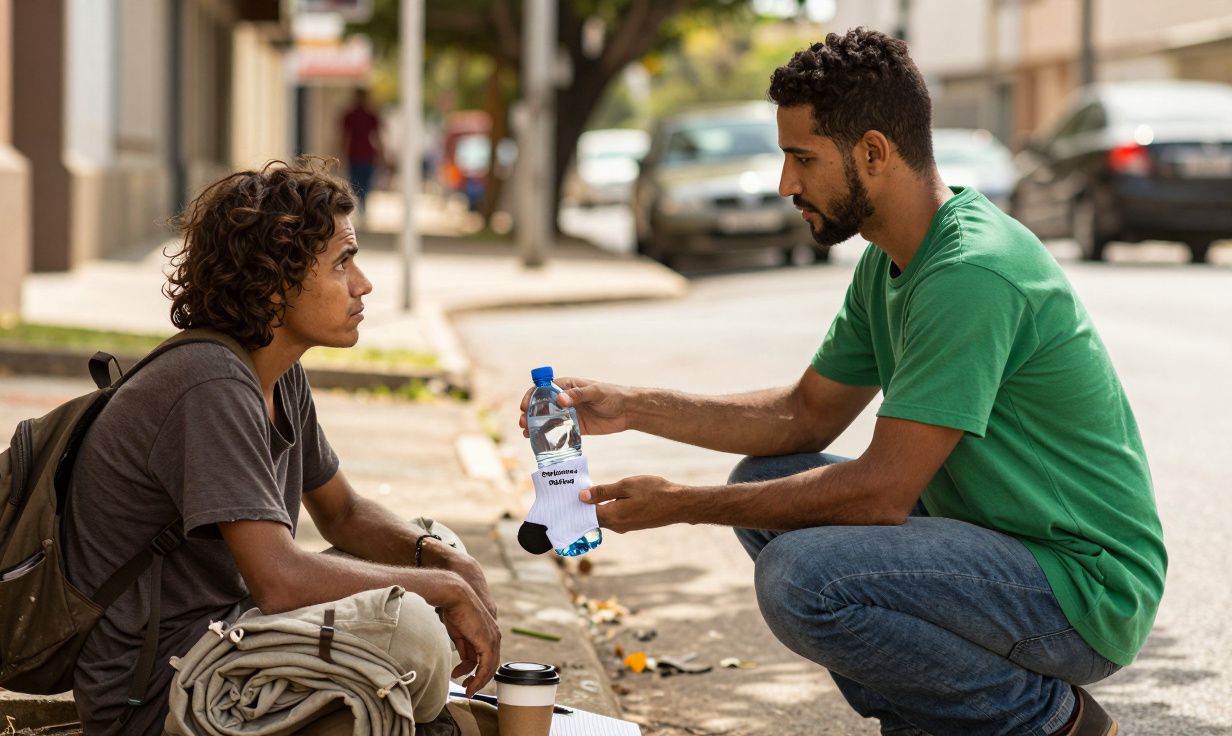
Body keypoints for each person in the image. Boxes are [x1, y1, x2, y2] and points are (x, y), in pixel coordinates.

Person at [518, 29, 1164, 736]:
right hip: (995, 547)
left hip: (1080, 588)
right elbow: (803, 416)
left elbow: (882, 494)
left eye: (801, 159)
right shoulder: (890, 261)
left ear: (874, 153)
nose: (785, 184)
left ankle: (1048, 720)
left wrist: (678, 504)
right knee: (768, 479)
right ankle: (935, 718)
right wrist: (631, 406)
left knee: (802, 576)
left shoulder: (968, 273)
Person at [65, 158, 500, 734]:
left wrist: (450, 565)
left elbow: (343, 513)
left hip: (232, 639)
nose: (363, 283)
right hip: (159, 690)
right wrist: (441, 590)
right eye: (342, 263)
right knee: (412, 625)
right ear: (274, 284)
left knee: (428, 541)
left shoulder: (277, 373)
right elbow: (280, 580)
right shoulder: (210, 383)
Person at [339, 88, 384, 229]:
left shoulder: (351, 115)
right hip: (366, 154)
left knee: (356, 183)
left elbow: (343, 138)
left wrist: (340, 155)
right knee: (364, 184)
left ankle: (360, 210)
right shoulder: (369, 115)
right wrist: (382, 155)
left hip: (356, 154)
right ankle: (362, 210)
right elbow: (378, 138)